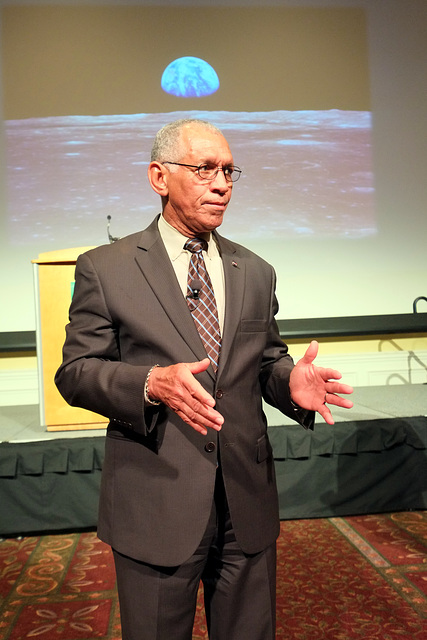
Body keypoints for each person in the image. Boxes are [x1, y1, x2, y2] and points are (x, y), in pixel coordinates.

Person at [55, 118, 353, 640]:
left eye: (229, 171)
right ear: (159, 177)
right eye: (204, 169)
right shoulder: (106, 268)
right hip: (157, 498)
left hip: (246, 500)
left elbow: (265, 363)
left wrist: (291, 386)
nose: (222, 184)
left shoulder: (255, 270)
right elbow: (77, 373)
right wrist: (151, 383)